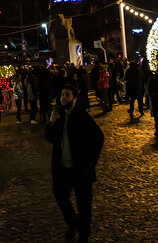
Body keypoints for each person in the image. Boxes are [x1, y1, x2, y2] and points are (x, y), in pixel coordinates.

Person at [45, 83, 104, 243]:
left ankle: (83, 236)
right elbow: (50, 138)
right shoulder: (59, 116)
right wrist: (50, 122)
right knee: (60, 196)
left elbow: (99, 138)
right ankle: (73, 222)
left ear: (75, 98)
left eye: (67, 95)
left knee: (84, 206)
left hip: (80, 170)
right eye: (62, 95)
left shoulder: (82, 117)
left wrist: (90, 164)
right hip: (63, 169)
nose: (63, 98)